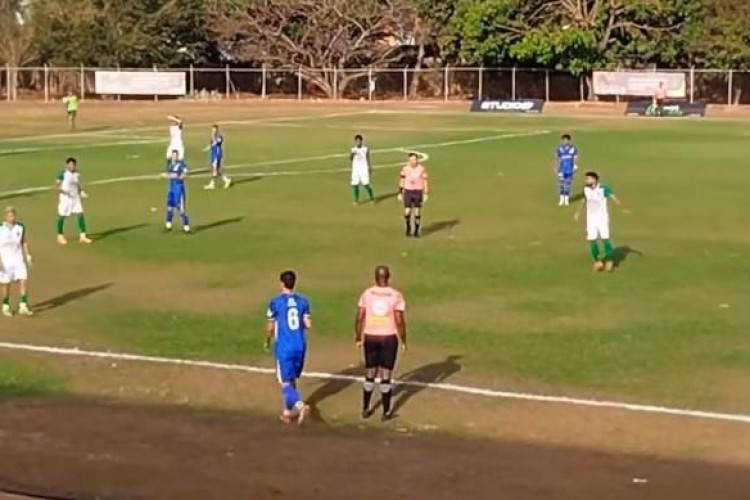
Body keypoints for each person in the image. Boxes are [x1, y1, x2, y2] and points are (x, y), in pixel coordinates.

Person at [355, 265, 407, 421]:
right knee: (386, 375)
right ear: (388, 277)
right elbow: (399, 320)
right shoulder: (395, 295)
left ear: (375, 277)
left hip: (370, 336)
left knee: (370, 373)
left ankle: (365, 408)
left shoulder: (367, 293)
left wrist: (358, 337)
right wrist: (403, 340)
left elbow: (359, 317)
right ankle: (386, 411)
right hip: (388, 337)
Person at [266, 270, 312, 425]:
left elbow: (270, 327)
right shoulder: (303, 301)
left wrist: (267, 340)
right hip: (300, 345)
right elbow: (308, 324)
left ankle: (300, 406)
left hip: (284, 348)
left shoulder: (275, 302)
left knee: (285, 383)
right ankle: (286, 413)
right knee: (292, 379)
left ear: (281, 283)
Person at [574, 171, 622, 272]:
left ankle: (609, 261)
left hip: (602, 218)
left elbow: (612, 196)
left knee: (605, 239)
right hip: (590, 219)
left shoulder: (604, 188)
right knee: (592, 240)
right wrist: (578, 212)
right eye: (586, 179)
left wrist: (618, 202)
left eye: (588, 178)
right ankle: (598, 262)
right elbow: (584, 201)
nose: (586, 180)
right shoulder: (585, 189)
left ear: (594, 179)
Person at [0, 207, 33, 317]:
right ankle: (5, 305)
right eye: (10, 216)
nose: (12, 218)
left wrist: (27, 255)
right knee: (6, 283)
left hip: (18, 258)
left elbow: (23, 241)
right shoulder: (0, 228)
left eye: (13, 216)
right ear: (5, 217)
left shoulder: (20, 227)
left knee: (23, 279)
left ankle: (23, 305)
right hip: (5, 260)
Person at [56, 157, 92, 245]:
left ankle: (83, 236)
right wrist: (62, 190)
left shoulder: (77, 173)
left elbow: (77, 184)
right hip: (65, 199)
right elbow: (58, 184)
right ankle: (60, 235)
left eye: (74, 165)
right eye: (70, 164)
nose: (72, 166)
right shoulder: (63, 173)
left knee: (80, 214)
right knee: (62, 216)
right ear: (67, 165)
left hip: (75, 198)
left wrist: (81, 191)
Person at [398, 153, 429, 237]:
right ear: (409, 160)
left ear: (417, 160)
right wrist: (400, 192)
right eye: (411, 160)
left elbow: (425, 181)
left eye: (414, 159)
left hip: (418, 191)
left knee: (417, 211)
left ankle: (416, 231)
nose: (413, 161)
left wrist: (426, 193)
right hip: (408, 191)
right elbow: (402, 180)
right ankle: (408, 227)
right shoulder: (405, 169)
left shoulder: (421, 169)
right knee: (407, 211)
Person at [164, 150, 191, 233]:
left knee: (180, 209)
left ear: (177, 156)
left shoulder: (181, 164)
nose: (174, 157)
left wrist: (179, 176)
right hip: (171, 189)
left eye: (175, 155)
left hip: (179, 189)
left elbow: (184, 174)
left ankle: (186, 226)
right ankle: (168, 225)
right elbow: (169, 173)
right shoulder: (169, 163)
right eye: (173, 155)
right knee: (169, 207)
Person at [204, 124, 231, 190]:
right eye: (212, 129)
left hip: (217, 155)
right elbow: (211, 144)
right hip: (213, 154)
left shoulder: (219, 137)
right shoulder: (212, 137)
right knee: (215, 170)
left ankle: (213, 183)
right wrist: (209, 147)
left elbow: (217, 143)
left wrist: (209, 147)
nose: (213, 131)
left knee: (215, 170)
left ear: (217, 130)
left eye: (215, 129)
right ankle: (226, 180)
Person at [555, 134, 578, 206]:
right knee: (561, 184)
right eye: (563, 140)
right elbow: (557, 159)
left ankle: (566, 200)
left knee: (568, 184)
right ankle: (561, 200)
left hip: (570, 169)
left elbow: (575, 158)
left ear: (569, 140)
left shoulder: (574, 149)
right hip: (561, 169)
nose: (564, 141)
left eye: (566, 140)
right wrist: (556, 167)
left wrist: (575, 165)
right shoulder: (559, 149)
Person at [350, 134, 374, 204]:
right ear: (355, 142)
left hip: (364, 169)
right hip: (356, 170)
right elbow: (350, 159)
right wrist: (352, 154)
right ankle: (356, 200)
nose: (358, 142)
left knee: (366, 184)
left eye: (359, 141)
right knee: (355, 184)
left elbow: (367, 158)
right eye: (357, 141)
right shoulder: (353, 149)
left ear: (361, 141)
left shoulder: (365, 149)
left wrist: (369, 167)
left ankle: (371, 198)